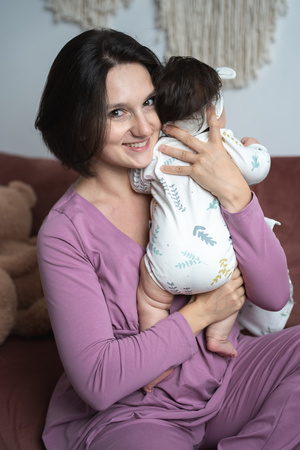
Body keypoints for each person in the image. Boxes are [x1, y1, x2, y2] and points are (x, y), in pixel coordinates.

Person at [35, 29, 299, 450]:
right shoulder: (65, 232)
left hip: (227, 379)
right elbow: (100, 382)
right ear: (79, 123)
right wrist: (202, 313)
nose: (144, 126)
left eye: (149, 102)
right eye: (117, 113)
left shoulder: (196, 172)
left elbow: (271, 295)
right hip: (136, 411)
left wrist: (235, 192)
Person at [130, 57, 271, 375]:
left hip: (164, 269)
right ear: (215, 108)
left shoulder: (158, 150)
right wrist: (254, 146)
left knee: (151, 301)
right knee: (236, 281)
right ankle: (219, 336)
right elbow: (258, 169)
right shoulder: (224, 145)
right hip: (217, 271)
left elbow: (138, 183)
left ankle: (159, 364)